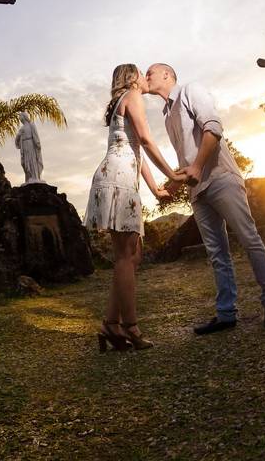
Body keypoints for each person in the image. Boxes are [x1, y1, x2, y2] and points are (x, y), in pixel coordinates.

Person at [144, 63, 265, 334]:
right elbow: (187, 157)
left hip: (220, 178)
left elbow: (213, 127)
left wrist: (197, 167)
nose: (145, 76)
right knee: (217, 252)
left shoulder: (190, 91)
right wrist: (172, 185)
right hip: (197, 190)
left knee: (248, 238)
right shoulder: (167, 114)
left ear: (167, 75)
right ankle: (226, 314)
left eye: (150, 72)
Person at [85, 64, 186, 352]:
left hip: (121, 178)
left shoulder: (125, 99)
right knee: (125, 255)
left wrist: (156, 188)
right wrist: (173, 174)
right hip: (117, 180)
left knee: (133, 254)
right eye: (142, 73)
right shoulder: (132, 95)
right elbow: (144, 139)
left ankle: (111, 324)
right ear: (131, 78)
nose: (145, 78)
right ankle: (131, 327)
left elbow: (136, 151)